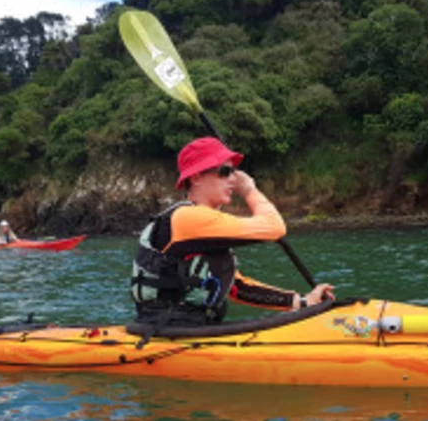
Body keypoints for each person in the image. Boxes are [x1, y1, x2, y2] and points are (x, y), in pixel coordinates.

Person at [132, 137, 334, 326]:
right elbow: (275, 228)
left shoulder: (201, 225)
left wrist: (303, 302)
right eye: (225, 172)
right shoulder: (188, 218)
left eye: (234, 172)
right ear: (196, 177)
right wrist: (249, 190)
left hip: (191, 327)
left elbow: (237, 287)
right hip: (170, 330)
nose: (233, 179)